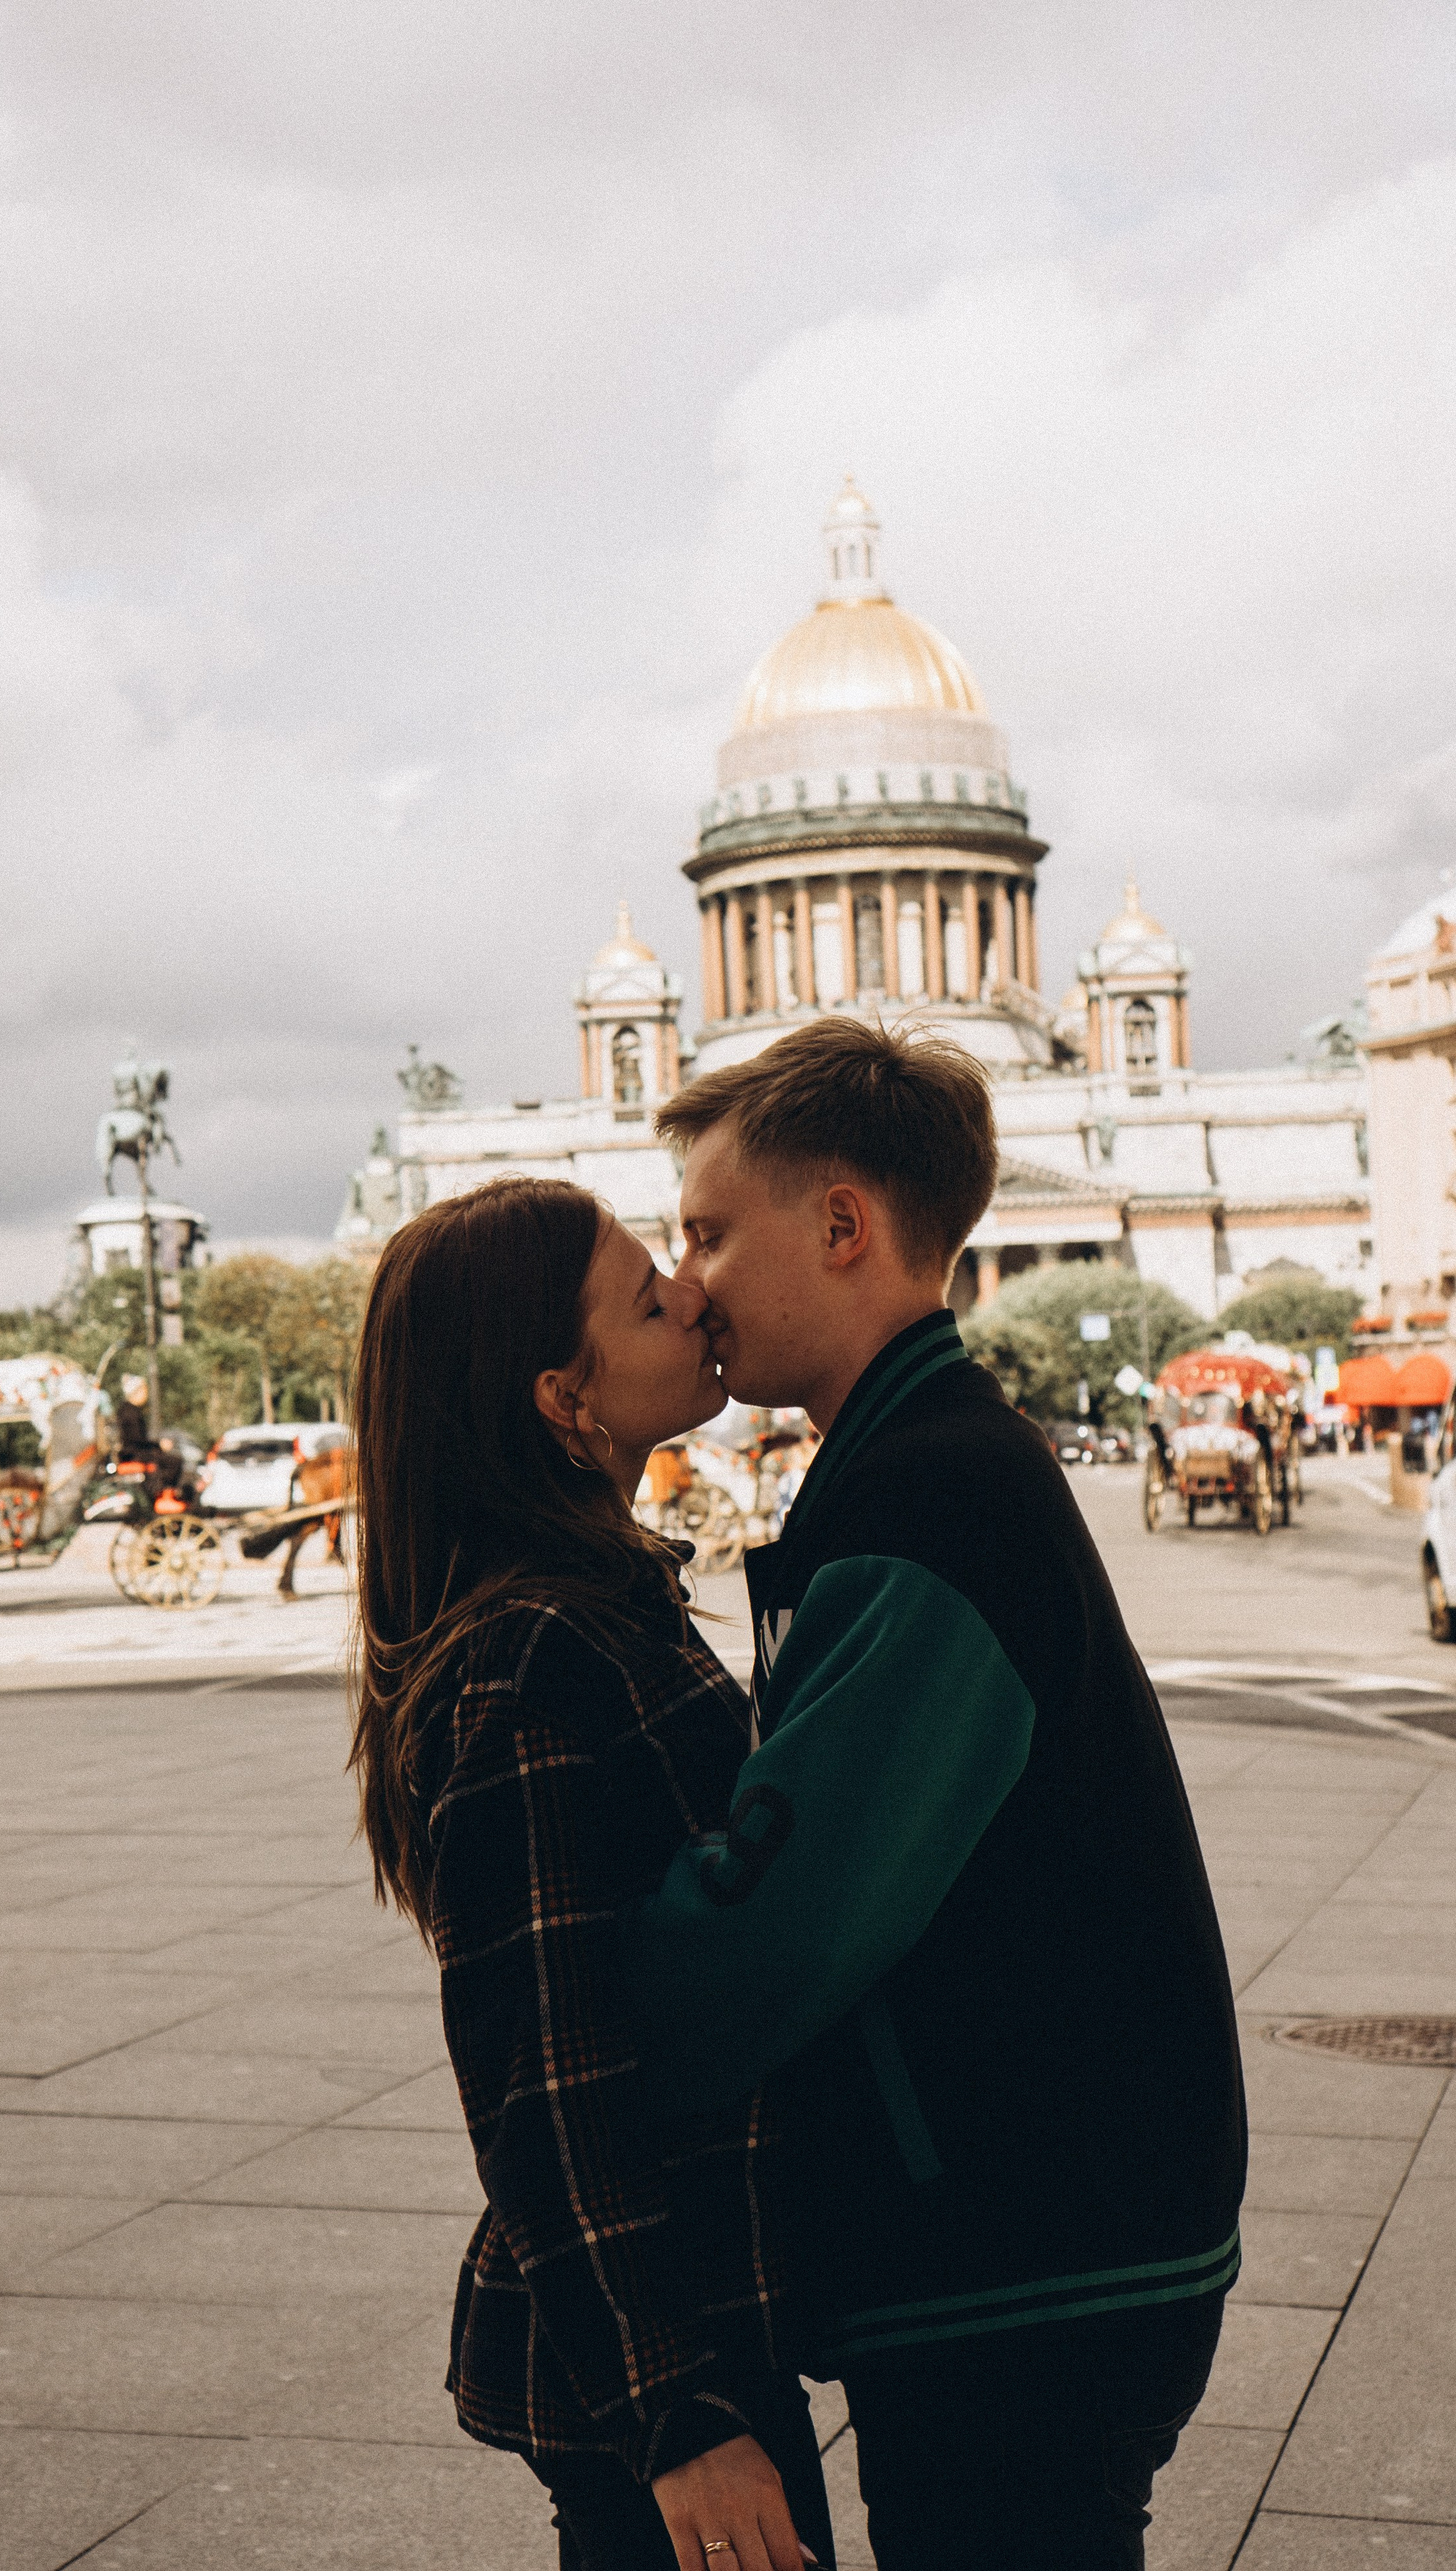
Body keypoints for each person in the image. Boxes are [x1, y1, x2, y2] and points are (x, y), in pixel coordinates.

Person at [623, 1016, 1246, 2570]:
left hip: (1020, 2251)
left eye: (704, 1230)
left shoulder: (921, 1497)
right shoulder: (927, 1458)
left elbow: (766, 1938)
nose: (682, 1278)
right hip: (1054, 2223)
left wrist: (572, 1970)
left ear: (840, 1226)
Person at [349, 1178, 836, 2571]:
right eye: (645, 1296)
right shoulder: (533, 1658)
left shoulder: (584, 1608)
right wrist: (673, 2414)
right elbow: (538, 2073)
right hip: (662, 2357)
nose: (692, 1292)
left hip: (688, 2322)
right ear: (566, 1404)